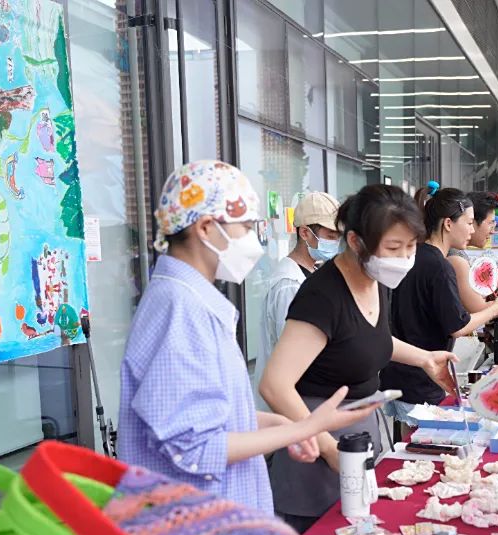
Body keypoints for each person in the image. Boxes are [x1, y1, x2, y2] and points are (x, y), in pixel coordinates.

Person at [118, 160, 378, 514]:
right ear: (207, 228)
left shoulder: (194, 301)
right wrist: (306, 427)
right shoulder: (178, 309)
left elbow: (214, 416)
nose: (254, 241)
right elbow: (194, 448)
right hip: (197, 523)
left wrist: (290, 426)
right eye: (245, 227)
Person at [259, 184, 457, 533]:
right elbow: (275, 385)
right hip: (316, 446)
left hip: (359, 438)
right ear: (355, 242)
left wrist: (425, 359)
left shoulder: (374, 277)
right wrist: (328, 448)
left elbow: (370, 339)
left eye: (411, 247)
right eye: (393, 248)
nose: (404, 259)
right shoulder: (322, 296)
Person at [380, 185, 498, 425]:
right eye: (470, 222)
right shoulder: (439, 266)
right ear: (448, 224)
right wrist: (496, 308)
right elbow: (458, 325)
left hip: (398, 373)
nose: (472, 230)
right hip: (422, 378)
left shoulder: (414, 256)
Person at [252, 191, 340, 410]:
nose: (336, 242)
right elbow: (295, 356)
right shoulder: (289, 284)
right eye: (330, 235)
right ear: (305, 233)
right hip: (292, 405)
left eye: (338, 235)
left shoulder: (313, 273)